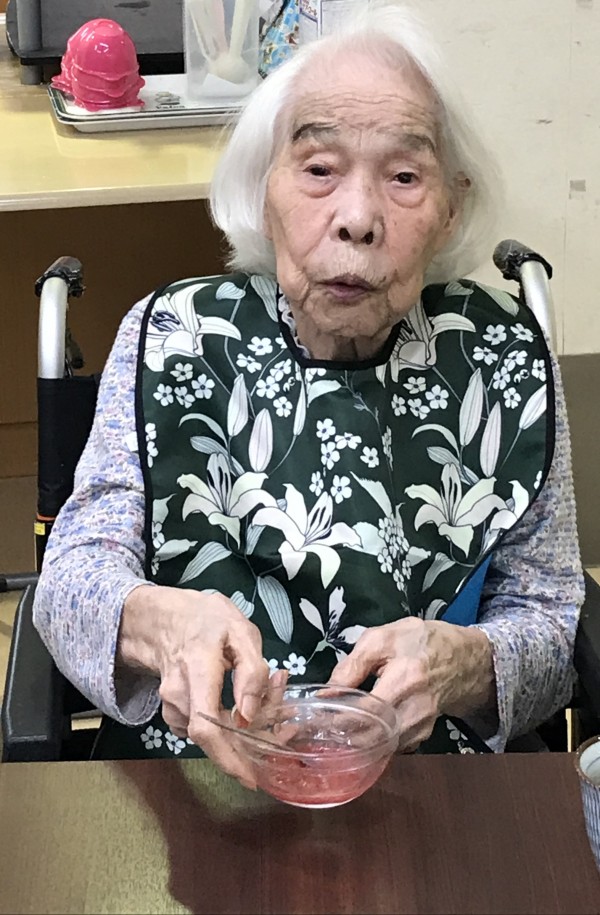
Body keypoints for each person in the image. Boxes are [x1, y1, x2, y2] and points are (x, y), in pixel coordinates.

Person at [33, 1, 583, 782]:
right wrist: (159, 624)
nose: (357, 217)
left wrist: (464, 663)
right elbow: (70, 580)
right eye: (319, 169)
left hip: (432, 784)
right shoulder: (175, 336)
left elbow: (552, 625)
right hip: (193, 771)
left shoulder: (503, 356)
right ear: (264, 189)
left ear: (451, 205)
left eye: (404, 176)